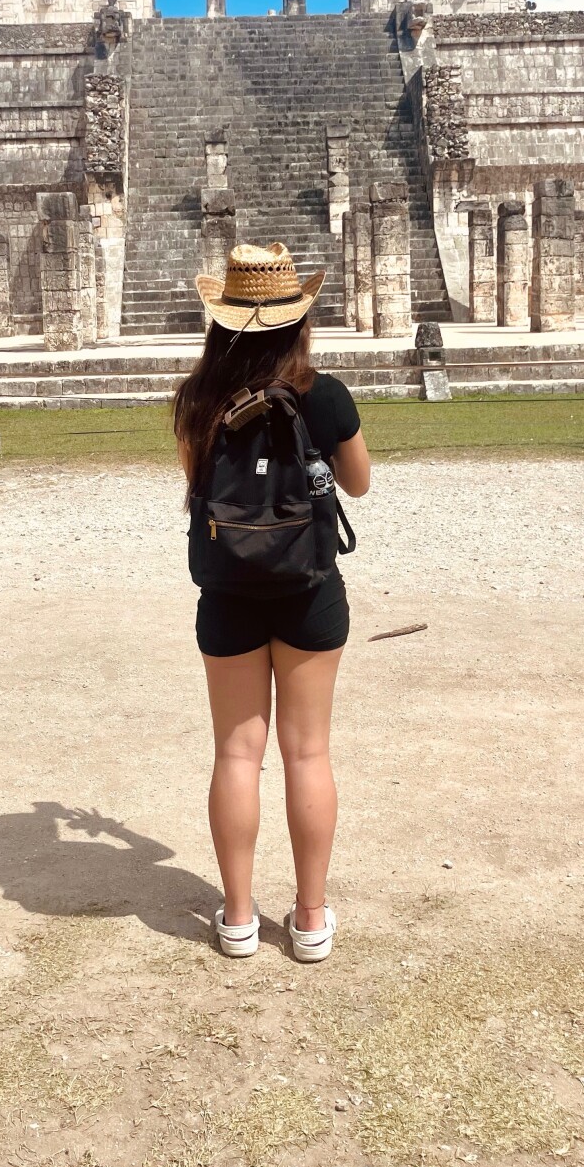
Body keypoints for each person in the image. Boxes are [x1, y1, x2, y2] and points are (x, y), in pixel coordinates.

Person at [173, 243, 371, 962]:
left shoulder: (198, 398)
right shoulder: (325, 395)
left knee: (236, 752)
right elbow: (358, 484)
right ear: (297, 320)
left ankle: (237, 917)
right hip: (308, 586)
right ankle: (311, 917)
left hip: (228, 591)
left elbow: (197, 485)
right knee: (307, 751)